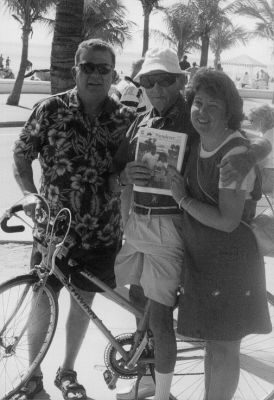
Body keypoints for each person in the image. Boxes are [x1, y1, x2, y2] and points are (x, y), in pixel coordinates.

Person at [113, 47, 271, 400]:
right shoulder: (164, 126)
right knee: (182, 329)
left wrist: (252, 153)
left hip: (214, 250)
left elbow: (251, 141)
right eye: (148, 81)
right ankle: (150, 380)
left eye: (165, 80)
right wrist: (127, 176)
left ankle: (161, 389)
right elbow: (120, 173)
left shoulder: (210, 130)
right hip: (178, 244)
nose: (156, 87)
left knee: (210, 341)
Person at [12, 38, 135, 400]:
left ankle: (67, 373)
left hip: (101, 232)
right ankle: (33, 378)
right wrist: (29, 193)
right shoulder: (49, 110)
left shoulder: (125, 120)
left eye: (103, 68)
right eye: (88, 67)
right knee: (41, 301)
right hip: (53, 231)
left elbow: (127, 174)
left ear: (113, 73)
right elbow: (21, 155)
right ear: (75, 69)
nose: (95, 74)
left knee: (83, 305)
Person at [168, 67, 272, 400]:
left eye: (214, 106)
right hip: (204, 259)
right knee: (212, 346)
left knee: (225, 349)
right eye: (198, 103)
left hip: (230, 263)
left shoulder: (235, 154)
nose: (203, 112)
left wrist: (182, 198)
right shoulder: (199, 141)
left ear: (229, 111)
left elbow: (228, 220)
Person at [248, 104, 274, 195]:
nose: (250, 123)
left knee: (238, 180)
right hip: (269, 174)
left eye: (252, 120)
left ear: (261, 120)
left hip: (269, 178)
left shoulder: (268, 138)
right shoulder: (270, 132)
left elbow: (261, 162)